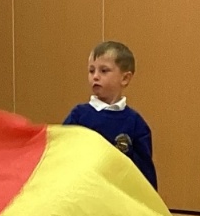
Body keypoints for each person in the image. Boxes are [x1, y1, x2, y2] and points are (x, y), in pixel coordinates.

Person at [62, 41, 157, 189]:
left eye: (104, 71)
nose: (95, 76)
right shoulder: (78, 115)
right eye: (91, 71)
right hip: (84, 190)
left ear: (125, 78)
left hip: (118, 192)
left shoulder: (136, 124)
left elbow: (144, 173)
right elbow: (62, 155)